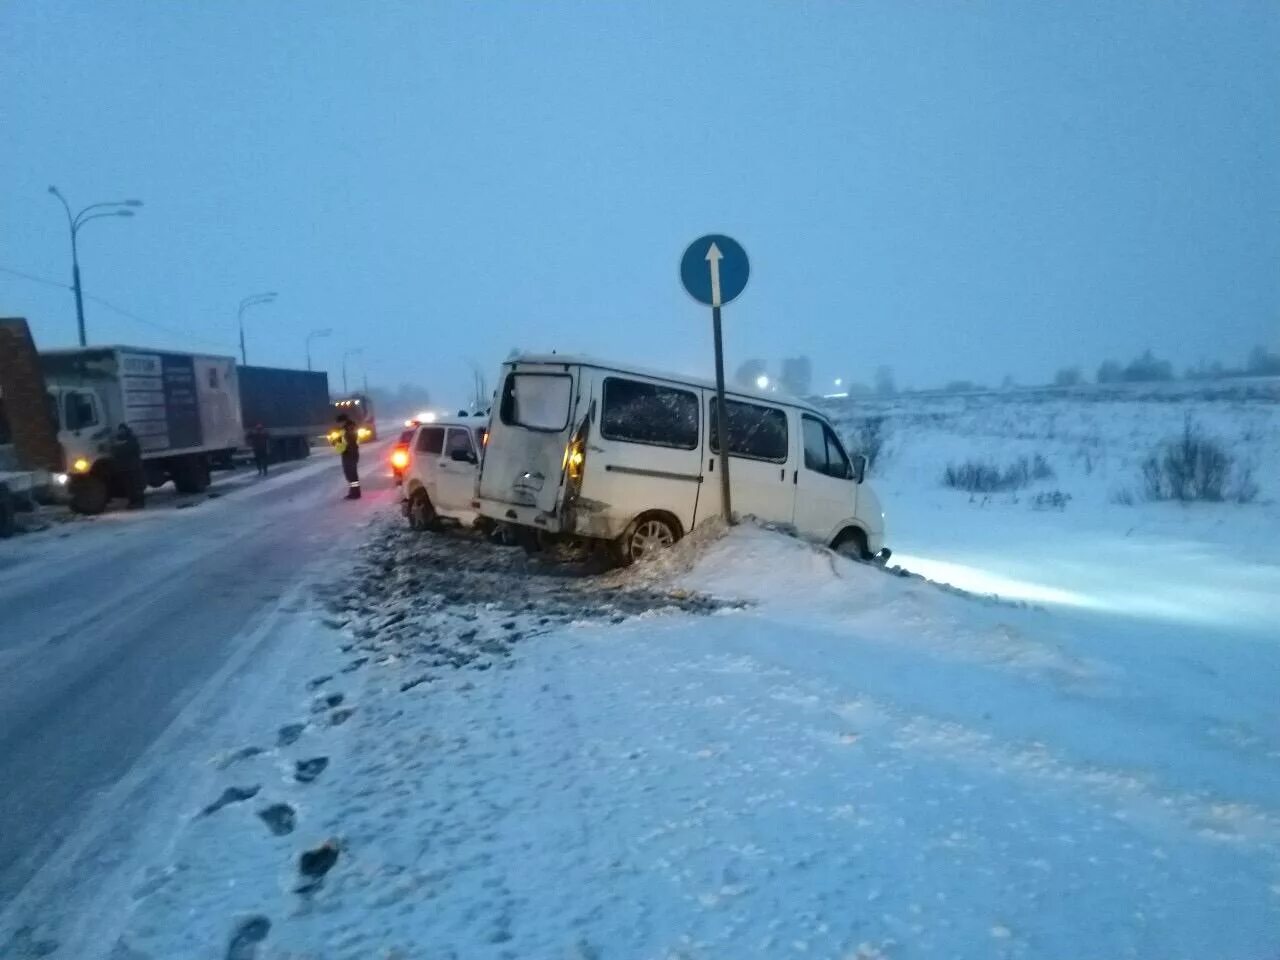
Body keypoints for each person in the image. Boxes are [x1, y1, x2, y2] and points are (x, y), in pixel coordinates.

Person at [113, 422, 146, 509]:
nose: (121, 431)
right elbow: (115, 452)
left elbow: (133, 450)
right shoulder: (118, 440)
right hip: (124, 467)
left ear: (126, 429)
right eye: (120, 430)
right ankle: (132, 502)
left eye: (123, 429)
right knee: (129, 487)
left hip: (133, 466)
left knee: (136, 485)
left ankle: (140, 502)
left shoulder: (131, 438)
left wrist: (121, 448)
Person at [334, 414, 361, 499]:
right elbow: (344, 442)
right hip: (349, 454)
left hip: (350, 454)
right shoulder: (347, 429)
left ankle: (355, 493)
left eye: (339, 422)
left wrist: (337, 443)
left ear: (344, 421)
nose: (339, 424)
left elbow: (349, 442)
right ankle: (354, 492)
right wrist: (337, 442)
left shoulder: (349, 429)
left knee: (351, 475)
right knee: (351, 475)